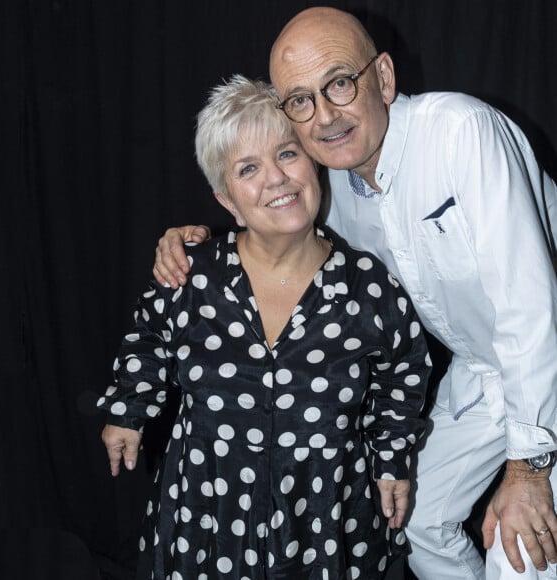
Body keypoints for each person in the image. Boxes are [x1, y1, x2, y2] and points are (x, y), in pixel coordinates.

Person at [152, 6, 557, 580]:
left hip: (548, 349)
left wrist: (528, 472)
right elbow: (276, 235)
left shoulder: (461, 133)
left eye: (340, 83)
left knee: (521, 550)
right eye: (301, 100)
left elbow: (531, 307)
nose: (324, 115)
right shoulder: (333, 185)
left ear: (384, 79)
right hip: (484, 370)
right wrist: (193, 243)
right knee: (418, 523)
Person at [98, 74, 431, 579]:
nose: (275, 178)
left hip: (326, 521)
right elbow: (149, 336)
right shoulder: (191, 274)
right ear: (227, 198)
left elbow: (403, 375)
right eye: (248, 168)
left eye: (288, 154)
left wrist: (392, 461)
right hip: (207, 516)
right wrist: (129, 406)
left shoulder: (368, 287)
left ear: (313, 162)